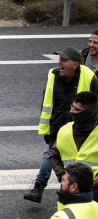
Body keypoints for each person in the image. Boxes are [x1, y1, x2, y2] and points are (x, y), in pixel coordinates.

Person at [26, 46, 98, 203]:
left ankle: (42, 187)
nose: (60, 63)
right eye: (59, 59)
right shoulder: (53, 76)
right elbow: (47, 102)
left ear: (76, 64)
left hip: (84, 131)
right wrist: (48, 130)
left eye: (64, 60)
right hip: (59, 129)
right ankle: (43, 187)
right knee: (52, 155)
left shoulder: (90, 78)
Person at [50, 90, 98, 202]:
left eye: (76, 109)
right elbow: (54, 155)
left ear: (87, 113)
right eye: (72, 106)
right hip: (68, 195)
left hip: (95, 195)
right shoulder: (64, 131)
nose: (71, 111)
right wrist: (62, 175)